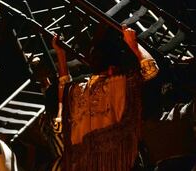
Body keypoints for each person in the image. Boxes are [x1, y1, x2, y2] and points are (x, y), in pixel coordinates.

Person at [52, 24, 159, 171]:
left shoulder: (75, 91)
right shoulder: (118, 85)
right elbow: (151, 70)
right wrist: (133, 45)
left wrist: (61, 56)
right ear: (112, 69)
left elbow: (59, 124)